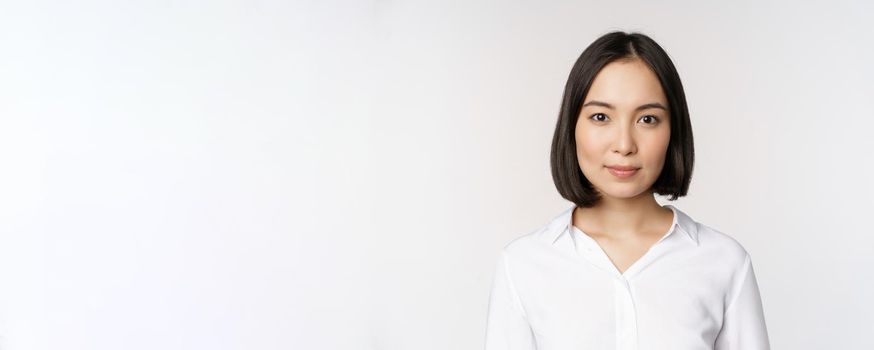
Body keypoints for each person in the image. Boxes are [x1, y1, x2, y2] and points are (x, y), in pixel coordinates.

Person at [483, 31, 770, 350]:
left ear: (673, 130)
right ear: (572, 125)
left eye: (647, 119)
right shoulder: (523, 264)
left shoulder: (724, 262)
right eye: (601, 117)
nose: (624, 144)